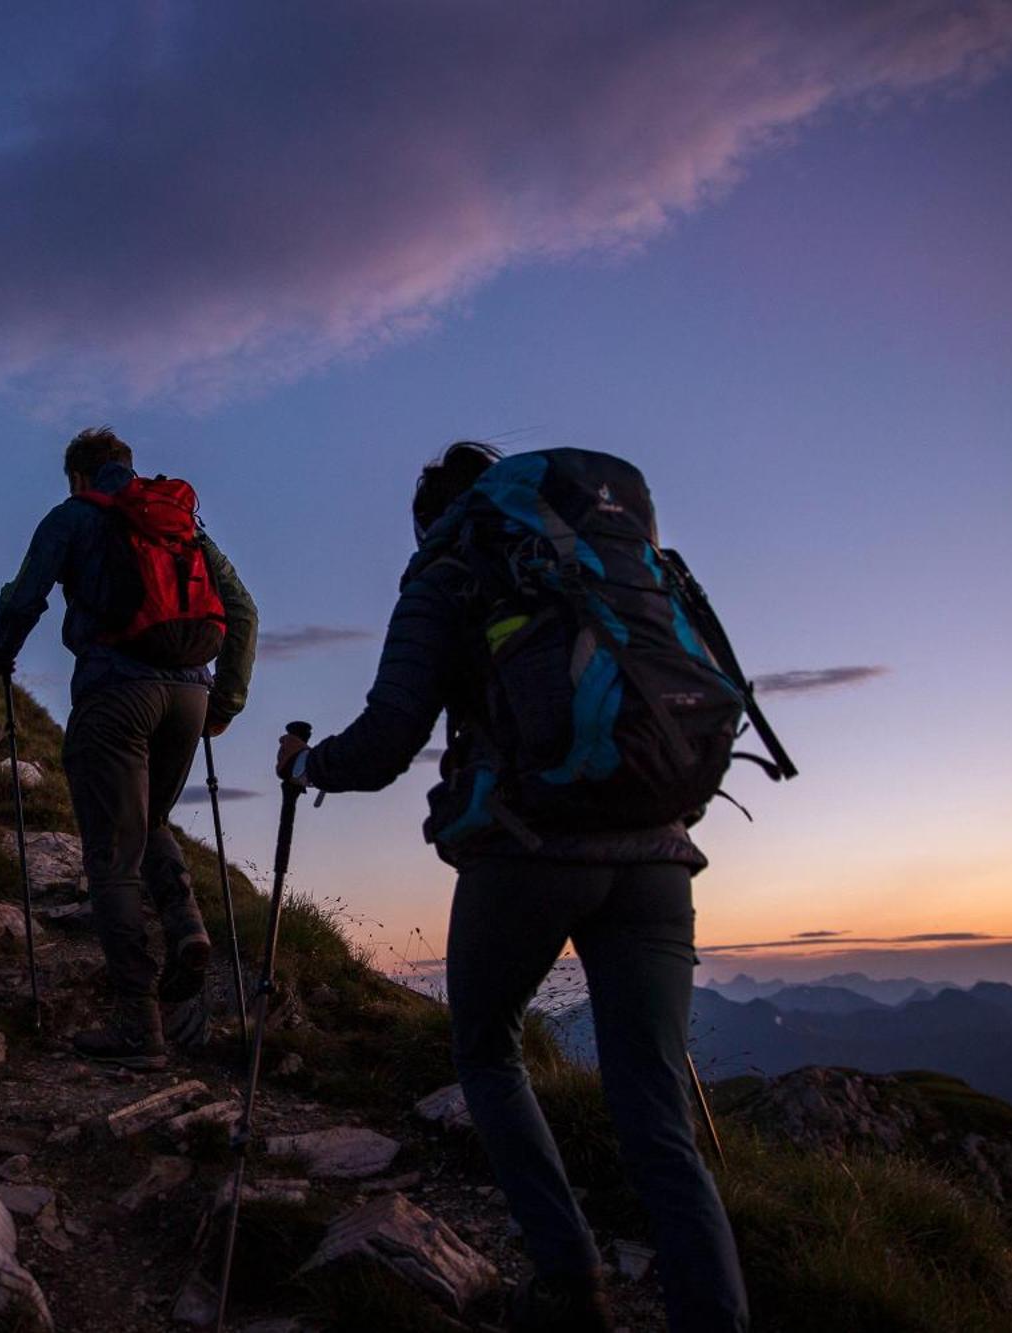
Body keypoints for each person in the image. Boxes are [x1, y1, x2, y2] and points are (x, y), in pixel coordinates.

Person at [273, 443, 748, 1332]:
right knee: (657, 1117)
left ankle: (572, 1280)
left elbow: (385, 741)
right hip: (657, 856)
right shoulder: (604, 571)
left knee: (488, 1048)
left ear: (433, 517)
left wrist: (307, 769)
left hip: (528, 853)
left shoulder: (451, 570)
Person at [0, 426, 258, 1070]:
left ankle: (140, 1026)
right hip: (189, 696)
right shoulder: (184, 526)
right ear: (129, 469)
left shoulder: (74, 515)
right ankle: (186, 925)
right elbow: (242, 610)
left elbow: (27, 594)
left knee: (111, 854)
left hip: (115, 693)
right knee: (150, 818)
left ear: (79, 476)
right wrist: (226, 702)